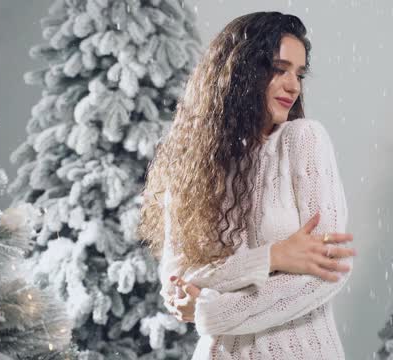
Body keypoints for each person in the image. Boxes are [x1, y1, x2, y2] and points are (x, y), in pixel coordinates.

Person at [138, 11, 356, 359]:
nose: (293, 85)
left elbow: (327, 272)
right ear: (240, 72)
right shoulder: (195, 166)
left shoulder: (304, 140)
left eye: (299, 74)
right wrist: (272, 257)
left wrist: (212, 311)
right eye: (279, 68)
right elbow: (179, 280)